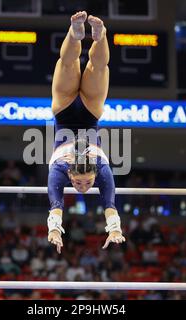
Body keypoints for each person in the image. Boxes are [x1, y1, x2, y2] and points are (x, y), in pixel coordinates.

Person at [47, 11, 125, 253]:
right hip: (90, 112)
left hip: (64, 110)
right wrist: (114, 229)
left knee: (67, 64)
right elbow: (109, 204)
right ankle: (99, 38)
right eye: (85, 182)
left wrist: (54, 229)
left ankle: (75, 32)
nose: (82, 186)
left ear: (69, 175)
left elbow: (55, 205)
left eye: (81, 182)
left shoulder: (59, 171)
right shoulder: (102, 170)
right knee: (98, 66)